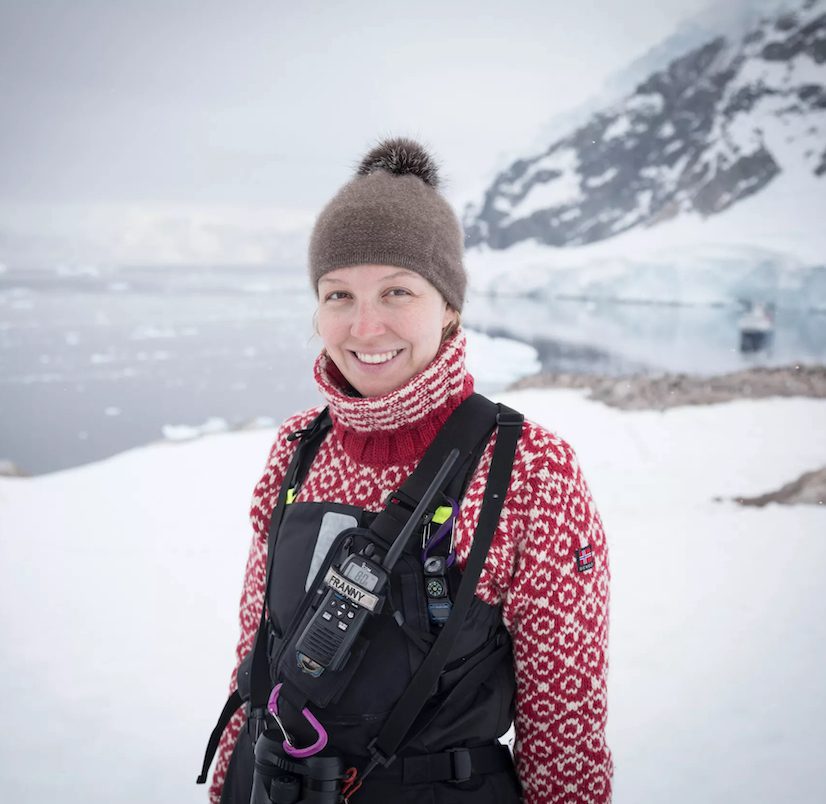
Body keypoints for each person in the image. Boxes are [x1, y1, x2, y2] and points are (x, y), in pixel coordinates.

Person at [205, 137, 613, 803]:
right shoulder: (298, 446)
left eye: (397, 291)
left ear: (449, 306)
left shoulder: (529, 467)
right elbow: (256, 662)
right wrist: (226, 783)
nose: (365, 327)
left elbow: (565, 728)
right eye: (339, 295)